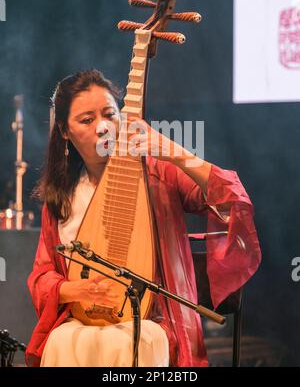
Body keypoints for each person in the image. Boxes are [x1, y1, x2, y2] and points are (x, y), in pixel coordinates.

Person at [26, 69, 261, 367]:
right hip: (86, 319)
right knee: (62, 340)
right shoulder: (62, 197)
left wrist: (173, 152)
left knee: (127, 342)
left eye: (110, 114)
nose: (102, 127)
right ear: (64, 131)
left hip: (157, 322)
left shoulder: (159, 174)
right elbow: (42, 274)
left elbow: (231, 203)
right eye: (86, 120)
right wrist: (70, 289)